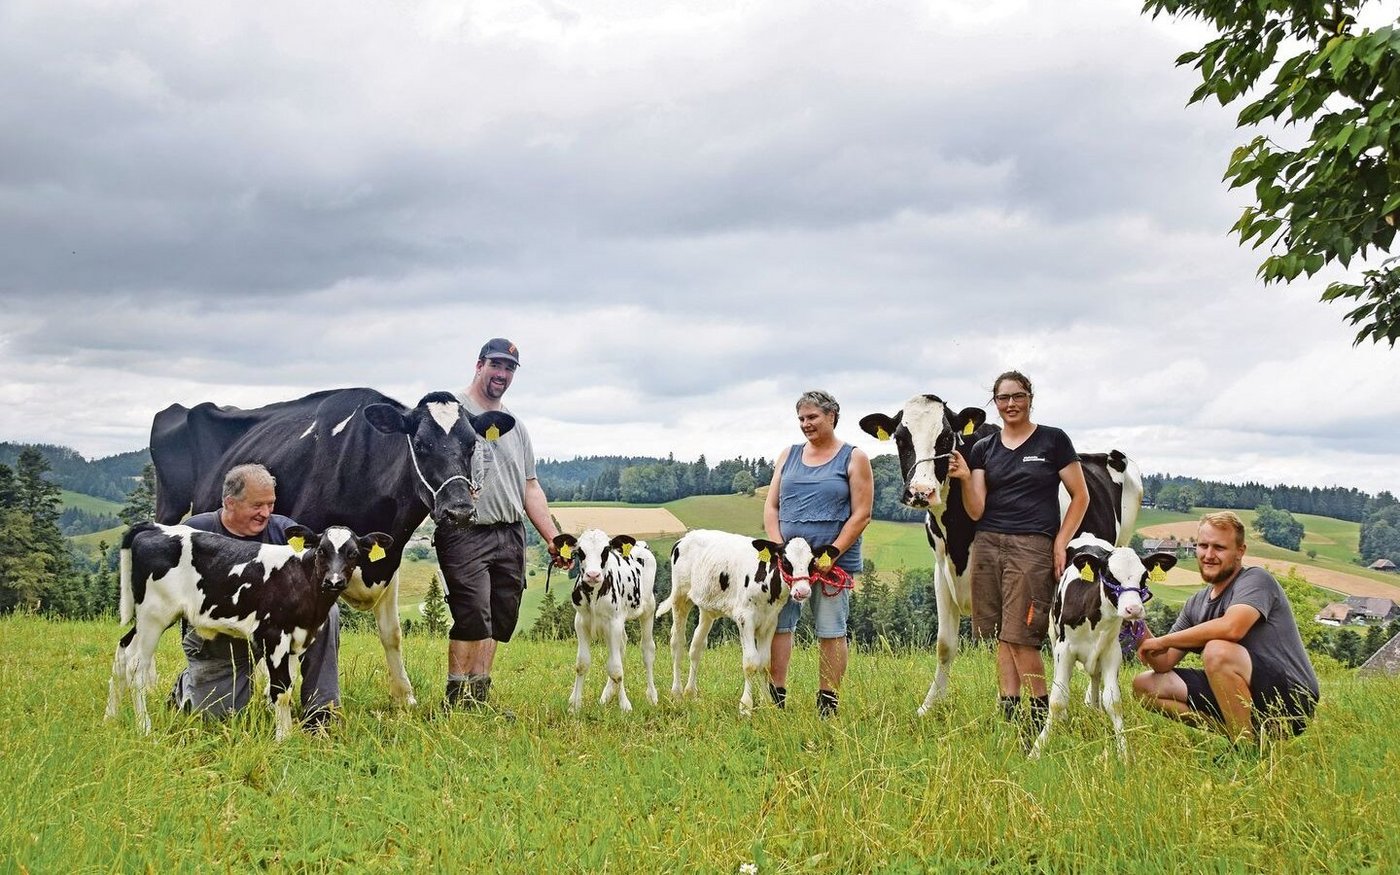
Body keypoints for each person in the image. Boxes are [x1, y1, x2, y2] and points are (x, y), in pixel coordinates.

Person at [948, 370, 1088, 733]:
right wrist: (964, 478)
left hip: (1032, 546)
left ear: (1030, 398)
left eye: (1018, 396)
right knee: (1001, 634)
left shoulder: (1053, 441)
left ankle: (1042, 717)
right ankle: (1009, 714)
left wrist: (1060, 542)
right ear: (994, 404)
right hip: (988, 545)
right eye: (1003, 398)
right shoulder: (983, 448)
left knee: (1022, 635)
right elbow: (976, 509)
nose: (1010, 404)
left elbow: (1080, 497)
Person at [436, 337, 563, 711]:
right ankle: (456, 701)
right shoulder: (451, 414)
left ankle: (479, 697)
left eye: (509, 368)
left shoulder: (515, 426)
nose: (502, 374)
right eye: (496, 365)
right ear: (479, 365)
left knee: (498, 615)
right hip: (464, 530)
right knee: (472, 612)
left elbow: (530, 486)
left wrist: (553, 538)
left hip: (510, 533)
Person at [168, 463, 340, 730]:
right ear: (230, 503)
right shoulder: (196, 532)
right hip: (219, 638)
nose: (266, 513)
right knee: (218, 721)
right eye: (257, 505)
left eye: (270, 504)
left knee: (326, 610)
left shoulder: (284, 532)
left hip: (273, 630)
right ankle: (186, 686)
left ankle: (321, 712)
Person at [1132, 511, 1320, 742]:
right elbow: (1163, 662)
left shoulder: (1256, 580)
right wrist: (1132, 616)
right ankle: (1246, 737)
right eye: (1203, 546)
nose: (1208, 555)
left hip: (1291, 698)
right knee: (1145, 685)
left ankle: (1243, 748)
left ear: (1240, 552)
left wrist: (1162, 640)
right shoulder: (1196, 604)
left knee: (1217, 650)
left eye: (1219, 548)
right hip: (1235, 691)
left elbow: (1233, 628)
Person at [764, 390, 873, 717]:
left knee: (830, 628)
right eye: (801, 419)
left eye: (812, 417)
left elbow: (862, 514)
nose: (806, 424)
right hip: (787, 565)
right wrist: (780, 550)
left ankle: (827, 703)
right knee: (778, 626)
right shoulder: (788, 455)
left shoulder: (855, 458)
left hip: (830, 565)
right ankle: (776, 697)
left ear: (832, 416)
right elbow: (771, 506)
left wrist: (830, 557)